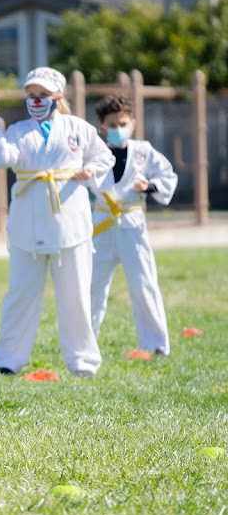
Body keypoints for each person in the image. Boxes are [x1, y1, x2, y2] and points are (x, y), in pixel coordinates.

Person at [0, 67, 114, 377]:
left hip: (70, 221)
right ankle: (8, 360)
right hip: (28, 222)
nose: (36, 101)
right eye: (31, 95)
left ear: (58, 96)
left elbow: (103, 157)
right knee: (21, 293)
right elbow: (2, 159)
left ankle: (83, 362)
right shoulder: (17, 130)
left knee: (76, 295)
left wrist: (89, 171)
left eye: (42, 95)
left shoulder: (77, 128)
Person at [90, 94, 178, 355]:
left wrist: (149, 187)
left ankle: (155, 345)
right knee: (92, 288)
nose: (118, 129)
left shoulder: (144, 151)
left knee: (144, 284)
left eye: (123, 123)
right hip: (101, 226)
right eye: (112, 125)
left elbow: (168, 176)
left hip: (132, 226)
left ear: (133, 124)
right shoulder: (95, 154)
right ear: (102, 128)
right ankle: (85, 346)